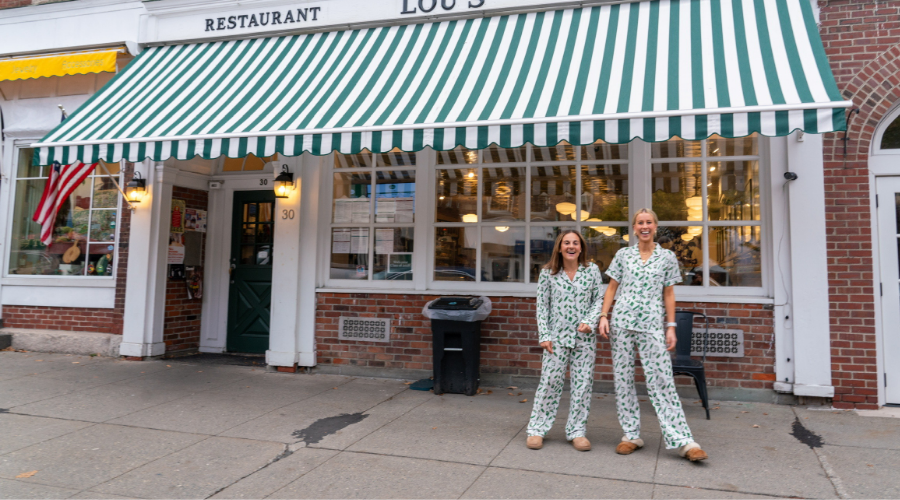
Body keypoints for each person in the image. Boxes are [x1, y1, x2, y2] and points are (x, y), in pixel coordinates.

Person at [596, 208, 708, 462]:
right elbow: (612, 288)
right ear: (634, 228)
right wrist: (604, 315)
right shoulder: (623, 255)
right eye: (639, 223)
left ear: (655, 227)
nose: (644, 226)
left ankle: (684, 441)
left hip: (651, 325)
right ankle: (631, 435)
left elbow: (669, 293)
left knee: (662, 379)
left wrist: (671, 326)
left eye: (648, 222)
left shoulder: (666, 257)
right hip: (622, 323)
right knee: (623, 380)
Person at [526, 230, 603, 451]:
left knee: (582, 384)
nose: (571, 246)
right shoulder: (548, 273)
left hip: (584, 338)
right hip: (556, 338)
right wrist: (544, 336)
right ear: (559, 247)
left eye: (575, 243)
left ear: (581, 248)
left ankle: (577, 432)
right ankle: (537, 429)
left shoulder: (592, 271)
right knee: (550, 382)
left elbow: (599, 299)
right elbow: (542, 306)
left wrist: (590, 320)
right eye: (566, 243)